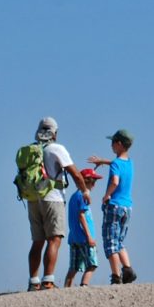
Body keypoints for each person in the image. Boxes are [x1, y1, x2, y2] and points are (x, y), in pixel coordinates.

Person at [23, 117, 88, 291]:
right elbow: (74, 173)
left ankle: (33, 282)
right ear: (55, 133)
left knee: (37, 241)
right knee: (54, 239)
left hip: (32, 199)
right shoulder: (56, 149)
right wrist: (85, 191)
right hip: (53, 198)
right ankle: (48, 281)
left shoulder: (30, 150)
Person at [88, 129, 137, 284]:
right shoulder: (129, 163)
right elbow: (117, 163)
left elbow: (115, 181)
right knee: (119, 241)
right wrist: (104, 161)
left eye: (113, 143)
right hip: (127, 207)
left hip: (114, 205)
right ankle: (127, 269)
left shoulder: (116, 164)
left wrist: (107, 195)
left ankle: (116, 276)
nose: (111, 146)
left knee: (110, 244)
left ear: (119, 144)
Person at [64, 168, 100, 287]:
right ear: (85, 182)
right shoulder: (82, 196)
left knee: (73, 268)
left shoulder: (74, 196)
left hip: (74, 237)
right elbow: (81, 216)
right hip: (84, 238)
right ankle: (84, 286)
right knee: (92, 265)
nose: (94, 185)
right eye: (93, 182)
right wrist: (89, 236)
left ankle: (65, 291)